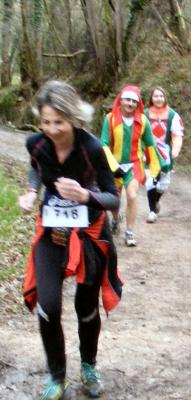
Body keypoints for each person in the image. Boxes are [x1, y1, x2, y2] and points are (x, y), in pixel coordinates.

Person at [19, 80, 123, 400]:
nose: (52, 129)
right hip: (52, 233)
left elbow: (113, 199)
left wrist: (85, 195)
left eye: (59, 122)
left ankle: (89, 366)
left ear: (73, 118)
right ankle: (57, 376)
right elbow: (36, 169)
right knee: (48, 306)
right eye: (46, 122)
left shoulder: (92, 149)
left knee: (86, 308)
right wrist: (32, 190)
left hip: (89, 235)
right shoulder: (36, 143)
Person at [100, 85, 163, 246]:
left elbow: (150, 145)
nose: (130, 104)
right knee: (114, 200)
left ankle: (129, 232)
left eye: (134, 101)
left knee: (132, 195)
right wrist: (113, 167)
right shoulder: (110, 119)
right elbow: (104, 144)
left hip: (134, 165)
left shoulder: (142, 121)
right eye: (127, 100)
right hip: (114, 166)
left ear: (138, 104)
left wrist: (156, 166)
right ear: (120, 101)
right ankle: (115, 219)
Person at [144, 86, 184, 223]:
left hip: (165, 152)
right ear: (151, 98)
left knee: (163, 184)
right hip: (148, 152)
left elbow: (177, 134)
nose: (159, 99)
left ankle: (155, 201)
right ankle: (151, 211)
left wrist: (176, 149)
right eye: (156, 96)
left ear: (165, 98)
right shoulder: (144, 114)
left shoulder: (172, 115)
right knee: (150, 181)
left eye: (161, 96)